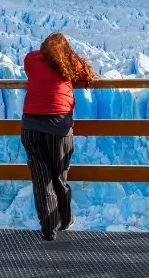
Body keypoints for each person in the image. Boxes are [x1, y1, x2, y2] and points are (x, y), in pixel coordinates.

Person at [22, 32, 97, 241]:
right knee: (59, 177)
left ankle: (49, 229)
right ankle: (63, 220)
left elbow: (30, 68)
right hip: (58, 128)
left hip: (31, 126)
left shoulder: (31, 59)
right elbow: (84, 75)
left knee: (41, 179)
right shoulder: (69, 64)